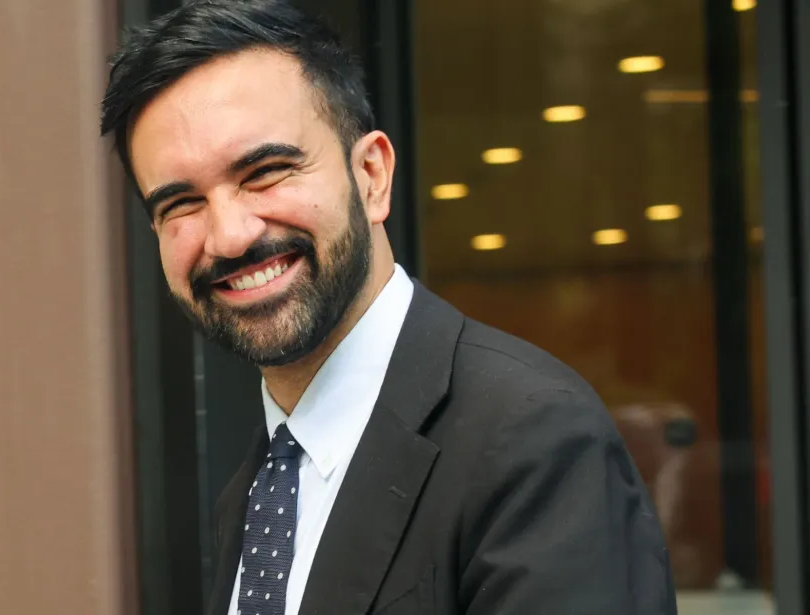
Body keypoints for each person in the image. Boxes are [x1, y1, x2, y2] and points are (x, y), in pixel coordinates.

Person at [100, 1, 677, 613]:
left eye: (266, 172)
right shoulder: (265, 486)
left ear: (371, 175)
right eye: (181, 204)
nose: (230, 235)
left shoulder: (532, 440)